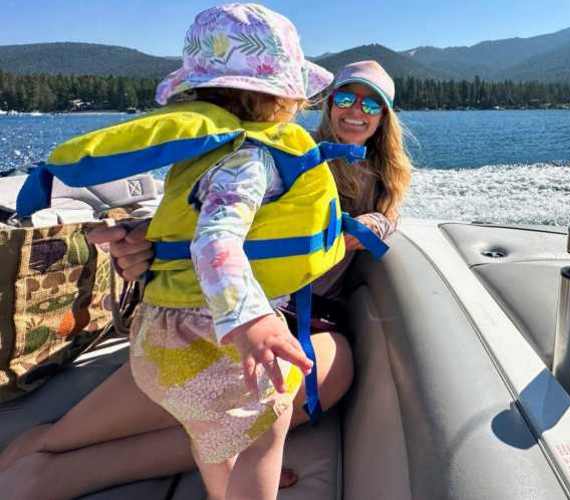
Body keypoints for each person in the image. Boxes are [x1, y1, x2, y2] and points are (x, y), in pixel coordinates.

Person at [0, 57, 410, 500]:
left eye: (373, 104)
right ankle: (43, 450)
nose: (357, 110)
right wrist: (146, 243)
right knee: (245, 404)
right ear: (327, 104)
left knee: (329, 375)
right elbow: (205, 223)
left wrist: (379, 223)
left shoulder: (384, 182)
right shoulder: (277, 154)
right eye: (346, 97)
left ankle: (70, 473)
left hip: (301, 319)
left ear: (385, 118)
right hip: (226, 312)